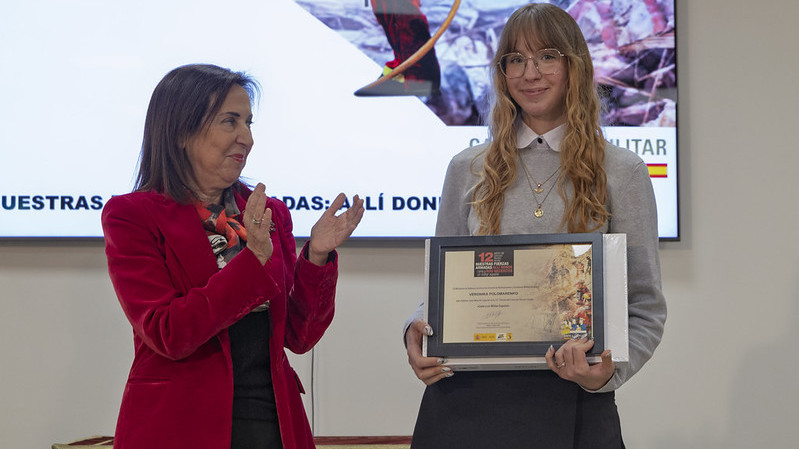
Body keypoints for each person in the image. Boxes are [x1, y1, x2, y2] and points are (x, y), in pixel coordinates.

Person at [403, 4, 666, 448]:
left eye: (547, 56)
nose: (530, 73)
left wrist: (606, 374)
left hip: (574, 405)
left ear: (574, 66)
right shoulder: (467, 168)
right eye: (516, 59)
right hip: (464, 405)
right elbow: (443, 291)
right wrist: (417, 329)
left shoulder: (622, 171)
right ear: (502, 72)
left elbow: (645, 306)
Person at [102, 64, 365, 449]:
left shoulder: (268, 212)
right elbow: (168, 332)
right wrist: (252, 262)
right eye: (230, 121)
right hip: (179, 424)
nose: (247, 138)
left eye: (248, 122)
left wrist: (317, 256)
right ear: (181, 131)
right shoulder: (132, 215)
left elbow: (299, 335)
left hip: (272, 423)